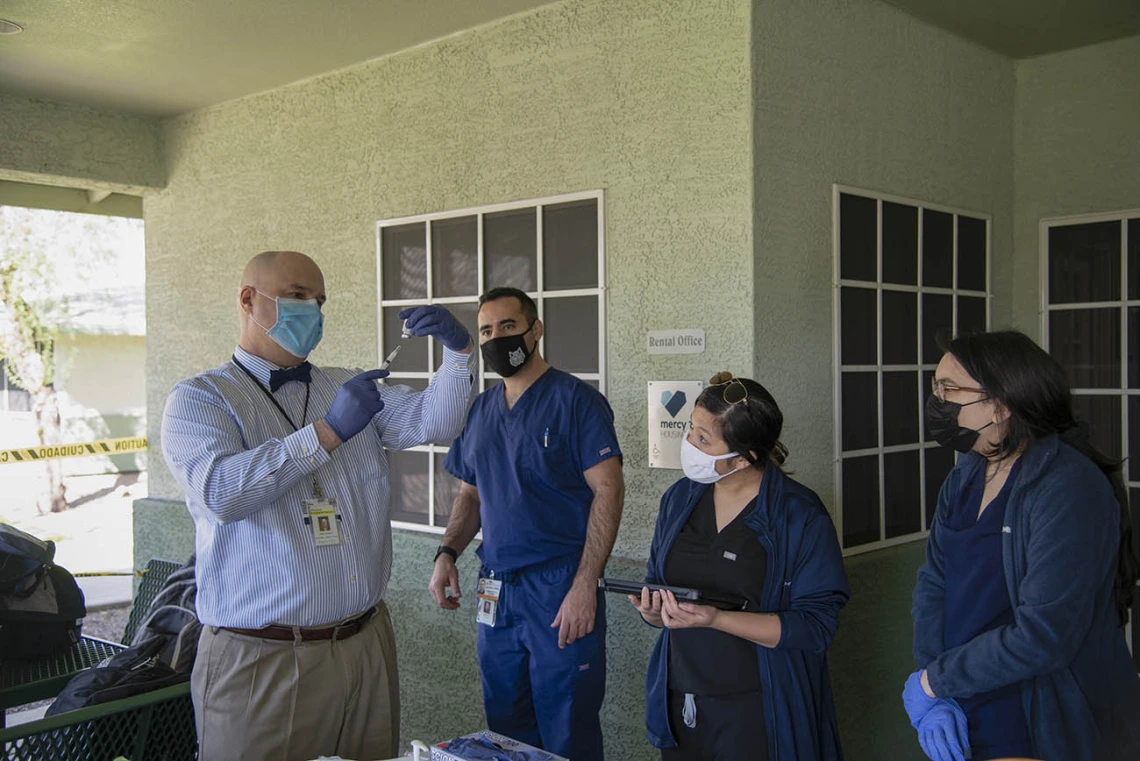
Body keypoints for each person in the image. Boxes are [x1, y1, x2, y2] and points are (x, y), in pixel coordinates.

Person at [162, 250, 475, 761]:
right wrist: (326, 433)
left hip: (365, 643)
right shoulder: (202, 399)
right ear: (248, 300)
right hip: (264, 659)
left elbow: (433, 422)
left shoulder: (343, 384)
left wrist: (458, 351)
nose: (314, 312)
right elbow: (221, 492)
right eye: (298, 297)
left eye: (320, 301)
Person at [906, 330, 1140, 761]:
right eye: (935, 387)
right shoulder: (967, 475)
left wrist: (932, 683)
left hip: (1035, 714)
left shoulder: (1067, 487)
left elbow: (1044, 635)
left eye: (949, 389)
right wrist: (934, 682)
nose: (937, 401)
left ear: (1001, 404)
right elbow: (934, 582)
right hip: (963, 698)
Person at [428, 286, 624, 761]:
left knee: (566, 727)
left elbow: (608, 490)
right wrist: (447, 552)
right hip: (496, 589)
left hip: (559, 588)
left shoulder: (577, 401)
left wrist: (584, 584)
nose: (497, 339)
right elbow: (470, 493)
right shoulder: (481, 410)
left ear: (536, 330)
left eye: (508, 327)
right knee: (505, 728)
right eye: (487, 331)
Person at [632, 372, 850, 760]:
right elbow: (657, 584)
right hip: (682, 700)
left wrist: (716, 619)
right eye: (689, 429)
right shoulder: (679, 500)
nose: (689, 444)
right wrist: (653, 613)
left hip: (758, 708)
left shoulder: (798, 516)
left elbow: (816, 626)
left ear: (746, 456)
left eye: (703, 439)